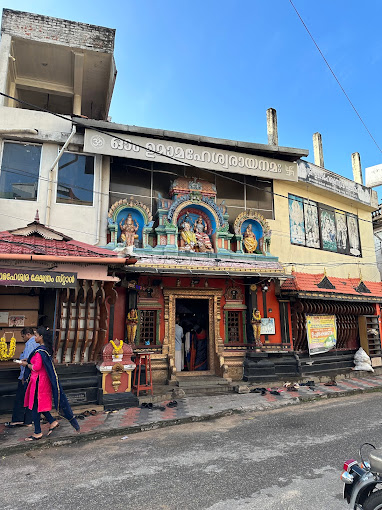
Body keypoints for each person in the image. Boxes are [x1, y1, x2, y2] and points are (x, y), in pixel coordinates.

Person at [21, 326, 80, 441]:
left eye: (36, 335)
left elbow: (36, 367)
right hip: (43, 381)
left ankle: (37, 432)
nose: (35, 337)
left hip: (38, 381)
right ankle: (52, 422)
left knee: (34, 406)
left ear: (41, 337)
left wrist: (26, 364)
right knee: (39, 405)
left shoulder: (39, 352)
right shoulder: (46, 350)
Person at [4, 328, 38, 428]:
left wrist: (24, 376)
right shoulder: (36, 343)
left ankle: (17, 420)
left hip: (27, 376)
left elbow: (27, 363)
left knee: (21, 398)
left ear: (28, 334)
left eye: (23, 336)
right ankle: (28, 420)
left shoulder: (30, 344)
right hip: (33, 376)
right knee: (29, 399)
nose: (23, 339)